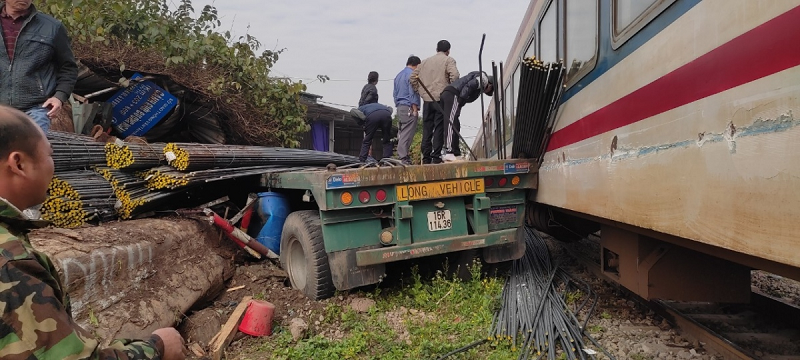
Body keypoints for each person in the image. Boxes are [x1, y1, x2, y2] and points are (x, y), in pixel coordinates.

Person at [0, 106, 186, 360]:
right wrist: (156, 347)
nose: (52, 166)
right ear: (18, 164)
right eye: (49, 155)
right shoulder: (11, 264)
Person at [0, 0, 78, 133]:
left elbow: (68, 67)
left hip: (36, 109)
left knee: (30, 152)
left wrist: (59, 96)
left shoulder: (52, 27)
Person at [410, 40, 459, 164]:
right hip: (440, 99)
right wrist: (450, 90)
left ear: (436, 49)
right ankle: (435, 155)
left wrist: (421, 91)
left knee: (427, 128)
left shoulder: (424, 62)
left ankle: (425, 157)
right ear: (448, 50)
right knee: (439, 128)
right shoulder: (448, 60)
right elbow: (455, 76)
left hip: (427, 100)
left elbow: (412, 78)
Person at [434, 71, 494, 163]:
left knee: (455, 124)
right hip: (453, 94)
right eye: (491, 89)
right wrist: (461, 99)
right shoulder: (483, 79)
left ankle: (455, 152)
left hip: (448, 94)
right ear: (490, 85)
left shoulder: (479, 79)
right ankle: (449, 151)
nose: (488, 92)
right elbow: (470, 85)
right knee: (451, 123)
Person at [393, 55, 421, 165]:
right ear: (417, 65)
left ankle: (402, 156)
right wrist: (414, 109)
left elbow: (394, 94)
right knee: (407, 133)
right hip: (409, 106)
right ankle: (403, 157)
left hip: (400, 106)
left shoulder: (398, 76)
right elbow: (412, 92)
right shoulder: (412, 75)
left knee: (401, 132)